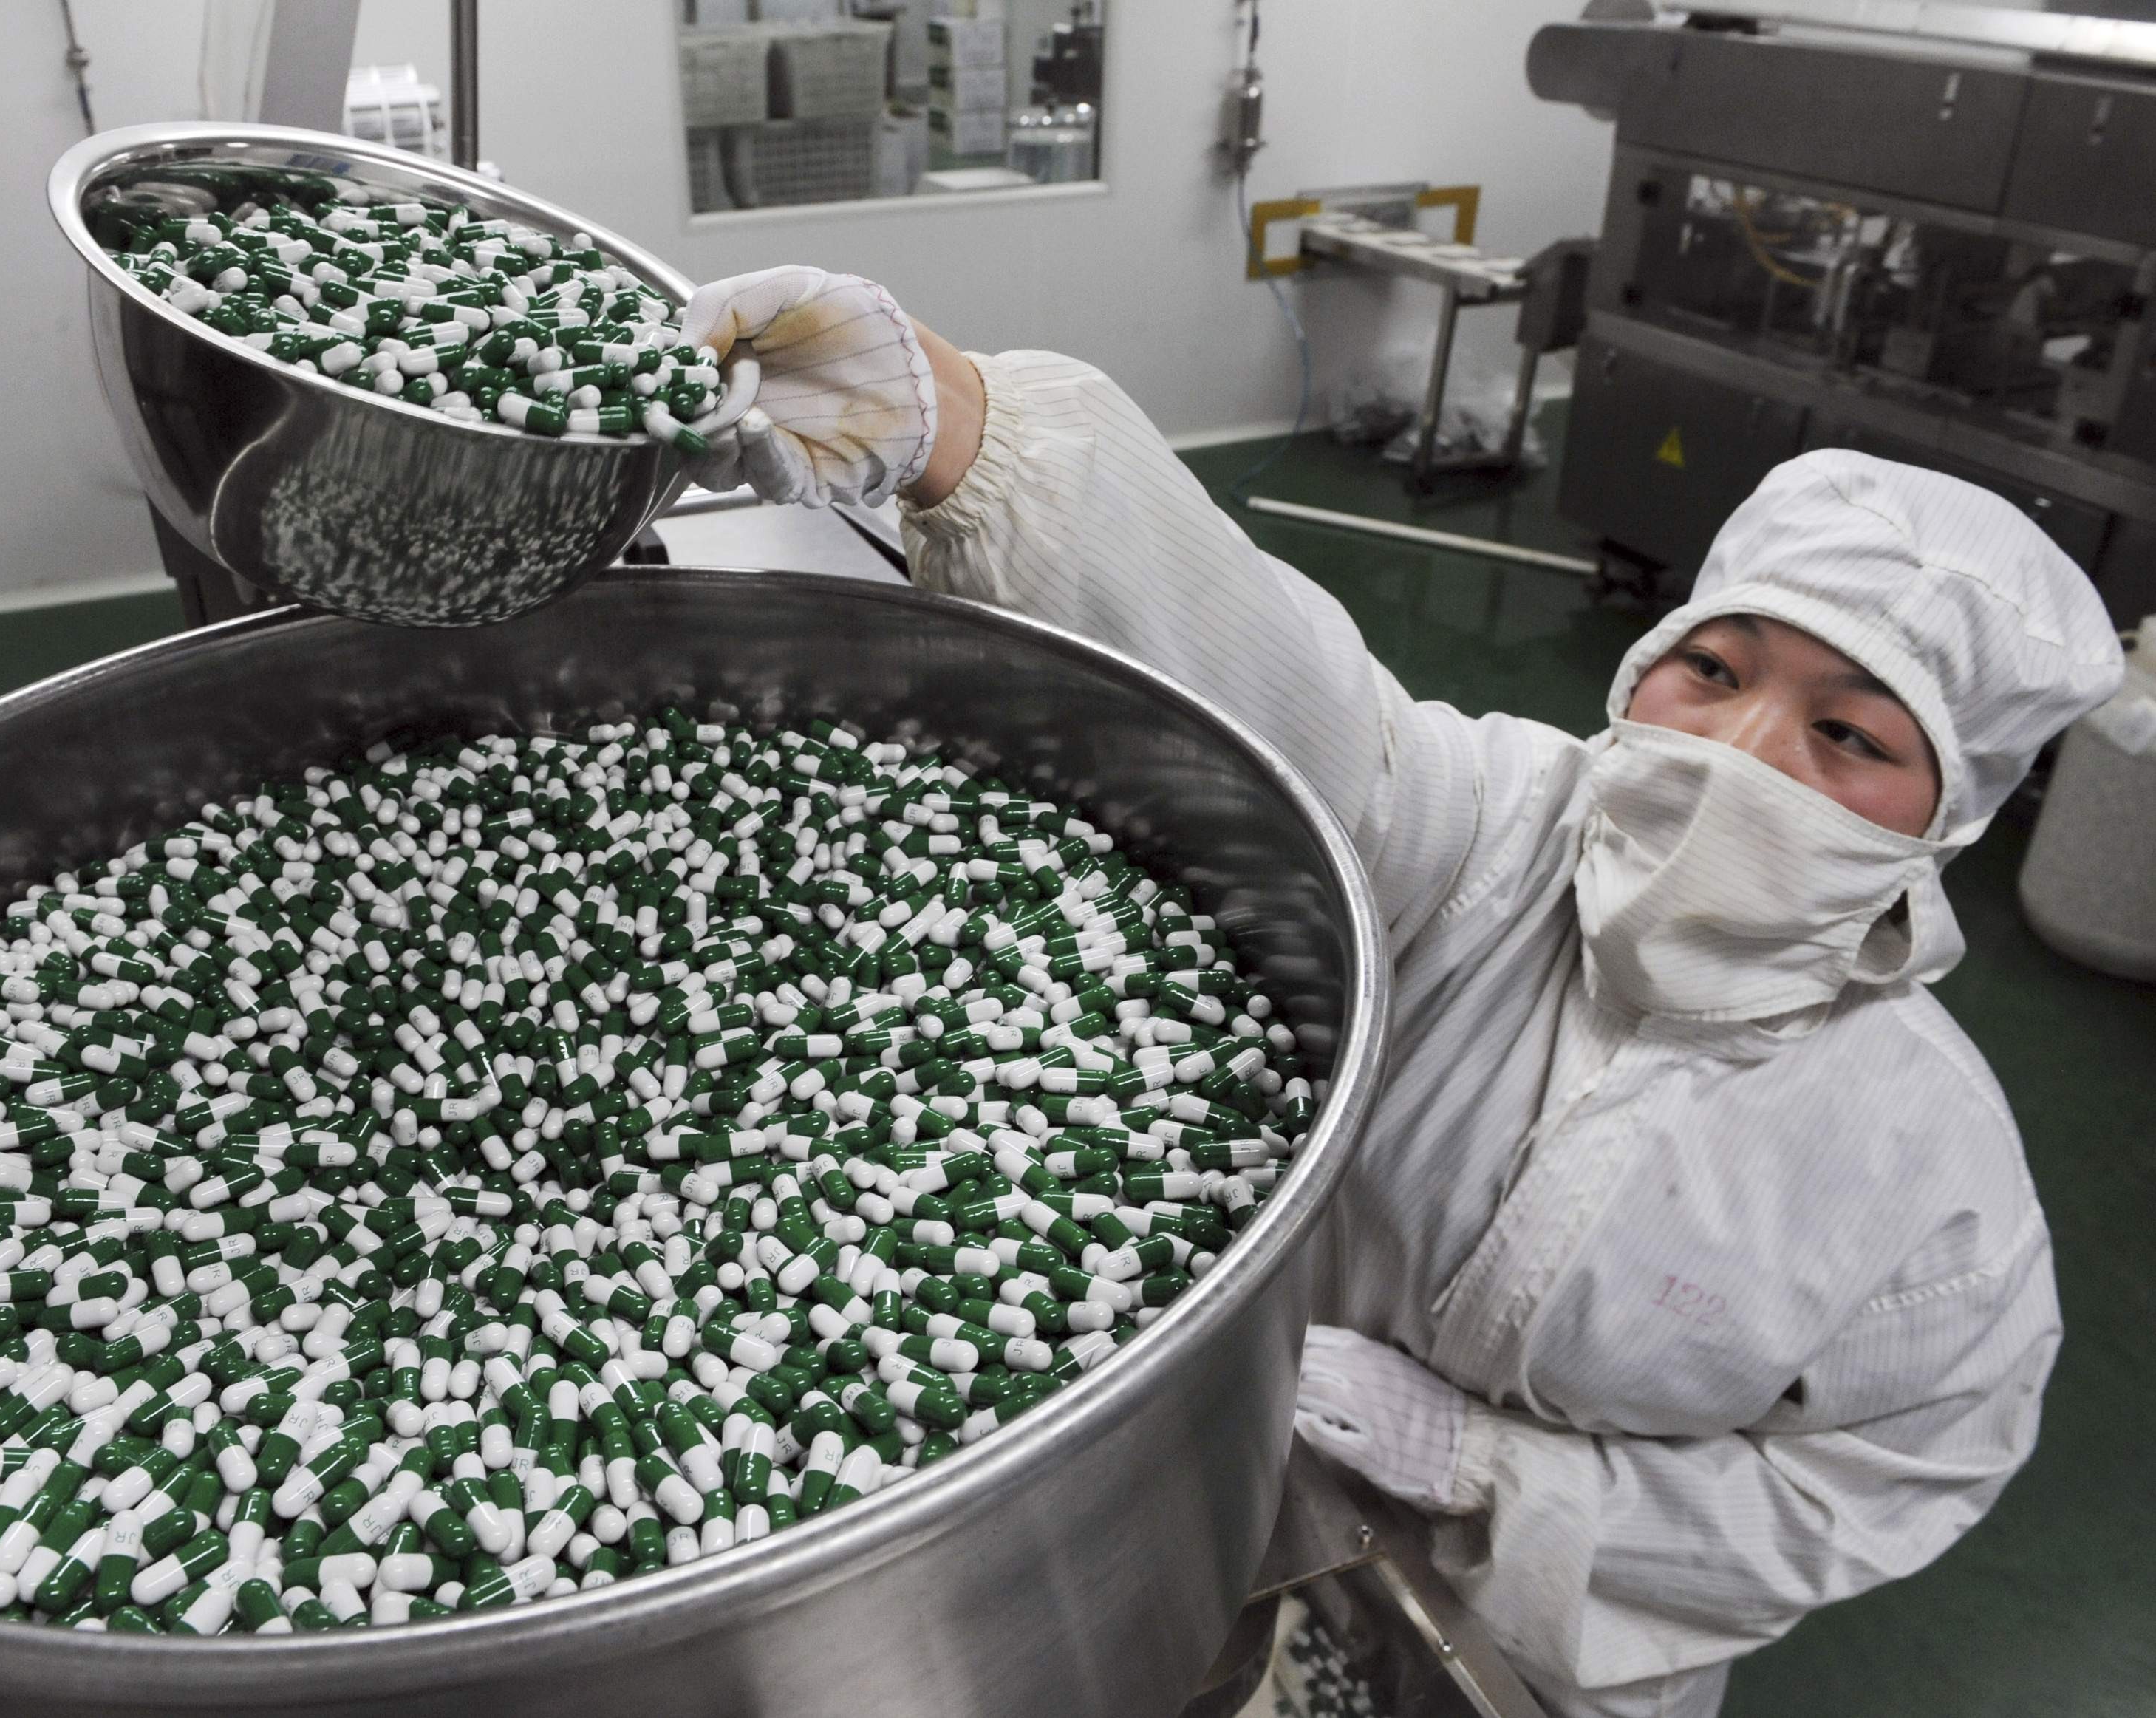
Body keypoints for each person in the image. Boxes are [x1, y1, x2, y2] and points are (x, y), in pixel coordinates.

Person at [675, 267, 2126, 1718]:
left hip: (1547, 1648)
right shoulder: (1495, 833)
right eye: (1713, 663)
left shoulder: (1930, 1181)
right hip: (1225, 1486)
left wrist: (1493, 1473)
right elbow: (1293, 695)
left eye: (1843, 730)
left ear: (1941, 818)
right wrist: (966, 430)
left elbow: (1868, 1487)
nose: (1741, 746)